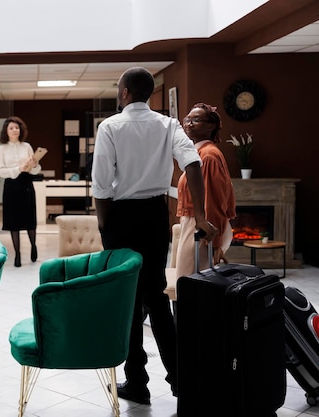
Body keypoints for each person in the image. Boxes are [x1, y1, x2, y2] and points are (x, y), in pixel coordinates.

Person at [91, 67, 217, 405]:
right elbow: (192, 163)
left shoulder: (110, 127)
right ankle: (181, 381)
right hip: (154, 216)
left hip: (119, 217)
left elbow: (102, 184)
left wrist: (106, 227)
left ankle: (137, 382)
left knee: (127, 301)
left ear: (126, 92)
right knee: (157, 298)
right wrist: (201, 215)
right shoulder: (169, 124)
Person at [175, 103, 236, 276]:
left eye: (196, 120)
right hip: (196, 225)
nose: (189, 123)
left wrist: (215, 243)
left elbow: (215, 200)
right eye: (188, 119)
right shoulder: (199, 153)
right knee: (190, 282)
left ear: (211, 126)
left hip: (204, 229)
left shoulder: (208, 156)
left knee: (190, 282)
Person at [0, 116, 41, 267]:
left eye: (17, 127)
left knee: (29, 219)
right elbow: (0, 171)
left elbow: (36, 170)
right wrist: (18, 169)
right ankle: (17, 254)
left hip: (26, 184)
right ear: (6, 131)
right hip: (11, 187)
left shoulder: (26, 146)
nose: (15, 130)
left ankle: (34, 247)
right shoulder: (2, 148)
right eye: (11, 128)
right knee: (13, 221)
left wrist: (34, 165)